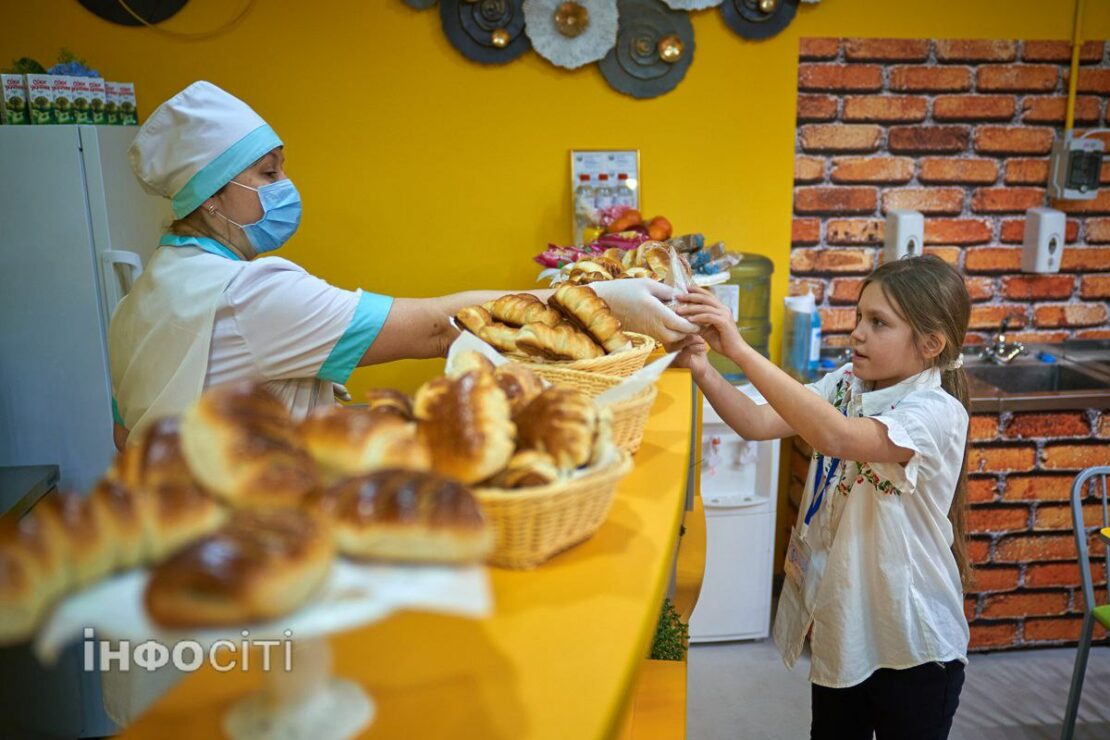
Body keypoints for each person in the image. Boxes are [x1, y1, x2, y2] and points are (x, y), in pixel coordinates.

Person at [109, 81, 696, 449]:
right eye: (268, 174)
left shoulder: (147, 294)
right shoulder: (251, 294)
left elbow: (124, 433)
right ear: (211, 196)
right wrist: (604, 305)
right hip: (249, 548)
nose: (286, 187)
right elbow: (441, 327)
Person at [674, 255, 971, 740]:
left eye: (878, 323)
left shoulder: (936, 412)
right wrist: (705, 369)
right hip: (846, 630)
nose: (857, 333)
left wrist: (742, 351)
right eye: (859, 317)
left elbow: (837, 438)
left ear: (930, 344)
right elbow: (757, 421)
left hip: (915, 644)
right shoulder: (845, 386)